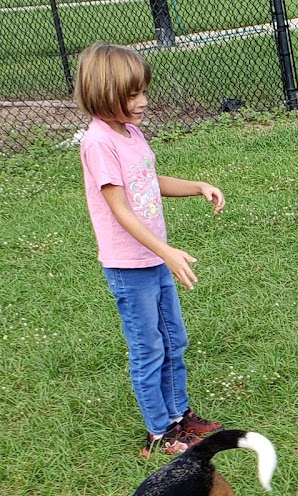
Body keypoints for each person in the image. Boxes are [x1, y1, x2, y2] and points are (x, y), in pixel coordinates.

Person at [75, 42, 226, 457]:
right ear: (103, 93)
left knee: (174, 339)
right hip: (130, 265)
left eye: (143, 91)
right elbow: (120, 208)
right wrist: (167, 250)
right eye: (132, 94)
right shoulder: (98, 143)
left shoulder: (131, 133)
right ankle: (159, 432)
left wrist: (197, 186)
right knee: (149, 347)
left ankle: (179, 416)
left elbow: (148, 180)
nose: (143, 101)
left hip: (154, 257)